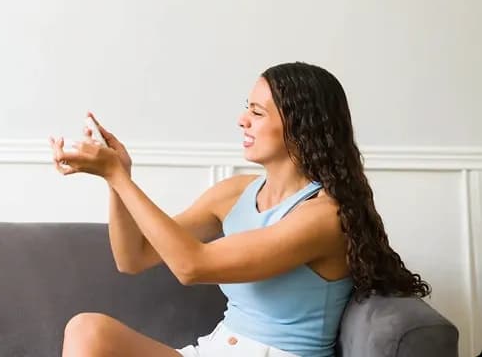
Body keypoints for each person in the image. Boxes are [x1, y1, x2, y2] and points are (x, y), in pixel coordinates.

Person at [48, 62, 430, 357]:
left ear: (301, 126)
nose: (241, 120)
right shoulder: (235, 194)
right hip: (213, 350)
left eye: (258, 113)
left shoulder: (324, 217)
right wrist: (118, 178)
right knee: (87, 330)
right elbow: (133, 257)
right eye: (246, 108)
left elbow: (191, 265)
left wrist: (119, 178)